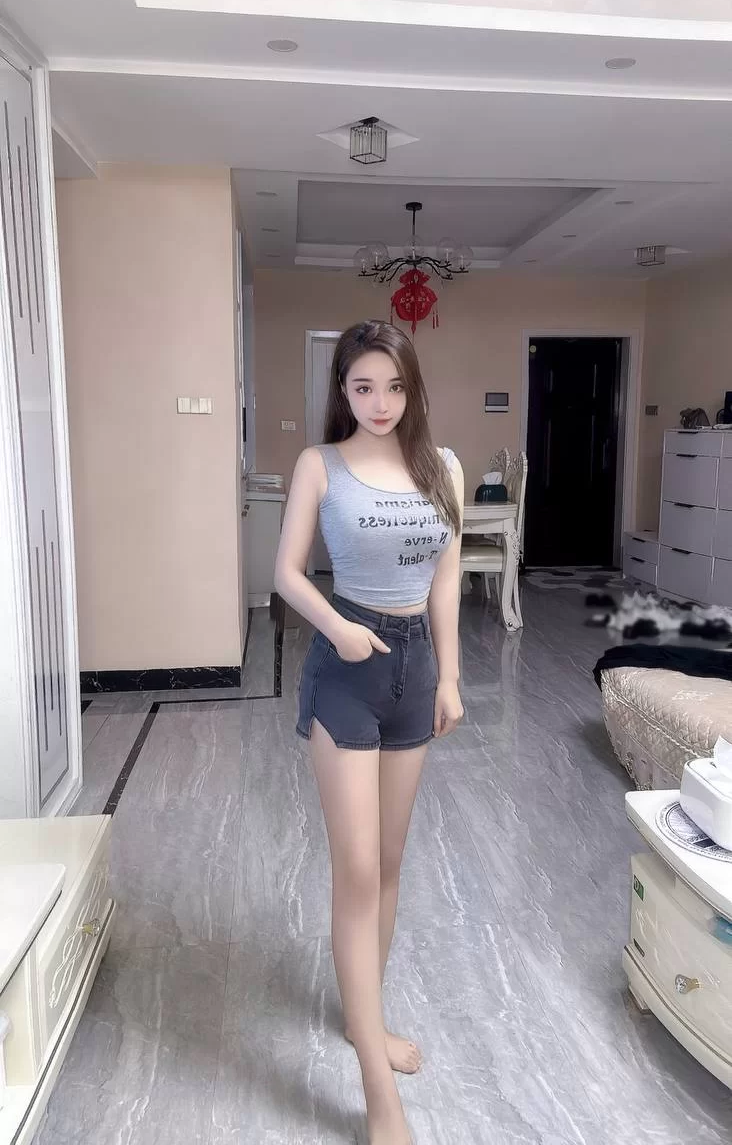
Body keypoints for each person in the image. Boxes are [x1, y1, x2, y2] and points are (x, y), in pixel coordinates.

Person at [274, 319, 464, 1145]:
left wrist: (450, 676)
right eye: (363, 387)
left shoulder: (442, 467)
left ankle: (366, 1021)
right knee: (355, 869)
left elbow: (446, 576)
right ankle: (377, 1093)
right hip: (346, 669)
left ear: (411, 387)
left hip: (415, 670)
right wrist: (337, 626)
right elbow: (285, 573)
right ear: (343, 390)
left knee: (388, 862)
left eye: (393, 386)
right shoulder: (320, 464)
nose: (380, 402)